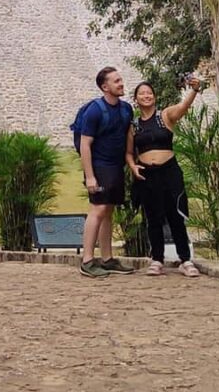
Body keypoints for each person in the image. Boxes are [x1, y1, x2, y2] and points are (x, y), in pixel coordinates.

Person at [127, 78, 201, 278]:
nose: (146, 96)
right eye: (141, 93)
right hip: (147, 175)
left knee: (175, 216)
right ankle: (157, 259)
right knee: (153, 218)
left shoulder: (165, 116)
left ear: (155, 97)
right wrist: (133, 166)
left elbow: (184, 106)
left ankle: (185, 259)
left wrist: (194, 90)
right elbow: (128, 152)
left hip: (169, 172)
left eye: (149, 92)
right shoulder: (134, 125)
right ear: (136, 99)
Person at [78, 66, 135, 278]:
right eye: (116, 81)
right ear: (105, 86)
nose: (121, 84)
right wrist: (90, 176)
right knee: (98, 209)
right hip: (99, 166)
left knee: (108, 211)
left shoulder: (126, 109)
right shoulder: (94, 111)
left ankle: (108, 259)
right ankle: (87, 261)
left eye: (121, 80)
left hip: (115, 166)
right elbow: (85, 145)